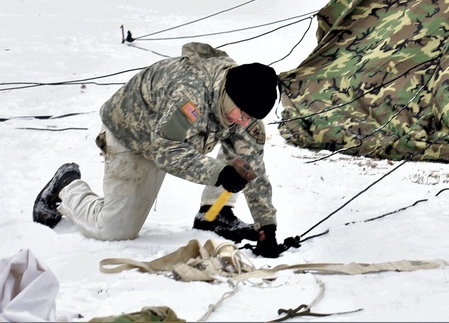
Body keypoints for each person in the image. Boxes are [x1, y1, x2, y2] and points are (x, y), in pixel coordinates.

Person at [32, 42, 290, 258]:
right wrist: (221, 173)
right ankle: (67, 185)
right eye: (243, 115)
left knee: (238, 162)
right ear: (228, 97)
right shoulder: (189, 95)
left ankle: (214, 213)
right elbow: (166, 151)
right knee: (115, 229)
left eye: (251, 118)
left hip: (177, 136)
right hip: (132, 136)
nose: (245, 122)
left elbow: (252, 168)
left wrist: (266, 226)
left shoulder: (243, 107)